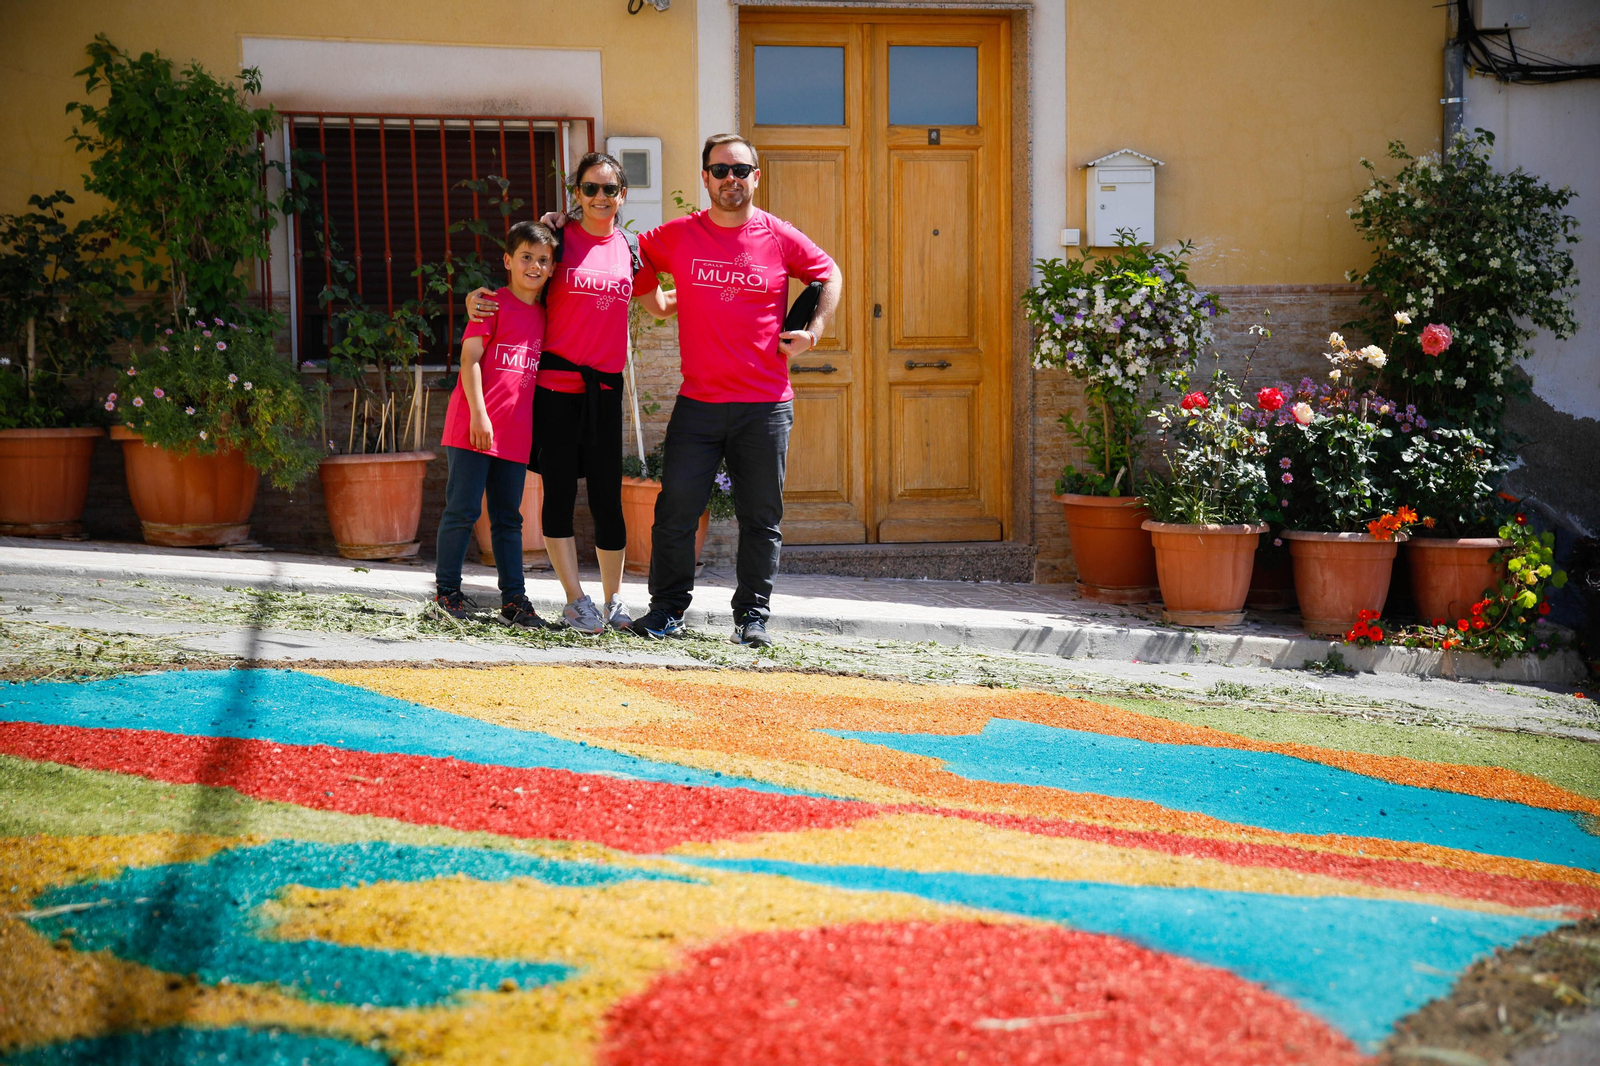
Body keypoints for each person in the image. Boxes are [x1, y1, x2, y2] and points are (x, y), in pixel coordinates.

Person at [609, 134, 842, 645]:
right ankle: (667, 612)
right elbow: (629, 250)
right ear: (705, 178)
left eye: (740, 170)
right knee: (674, 513)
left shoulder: (778, 236)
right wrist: (656, 302)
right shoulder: (679, 235)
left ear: (756, 177)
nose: (730, 180)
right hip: (699, 403)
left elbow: (829, 274)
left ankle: (751, 619)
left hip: (765, 405)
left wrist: (813, 334)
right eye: (720, 171)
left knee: (761, 519)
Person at [464, 153, 676, 633]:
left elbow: (659, 306)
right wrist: (478, 300)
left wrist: (705, 295)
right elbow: (523, 282)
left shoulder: (631, 248)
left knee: (607, 500)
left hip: (604, 390)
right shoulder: (557, 241)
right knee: (558, 496)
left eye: (609, 189)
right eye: (590, 188)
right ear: (575, 194)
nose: (600, 197)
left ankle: (614, 600)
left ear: (623, 195)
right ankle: (575, 601)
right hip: (554, 390)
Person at [433, 220, 557, 628]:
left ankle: (514, 602)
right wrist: (481, 415)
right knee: (463, 511)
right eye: (525, 257)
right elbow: (469, 360)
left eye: (543, 259)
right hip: (474, 425)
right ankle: (447, 593)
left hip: (515, 435)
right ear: (508, 260)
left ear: (553, 267)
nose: (534, 266)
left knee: (509, 520)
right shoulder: (490, 303)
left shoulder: (546, 315)